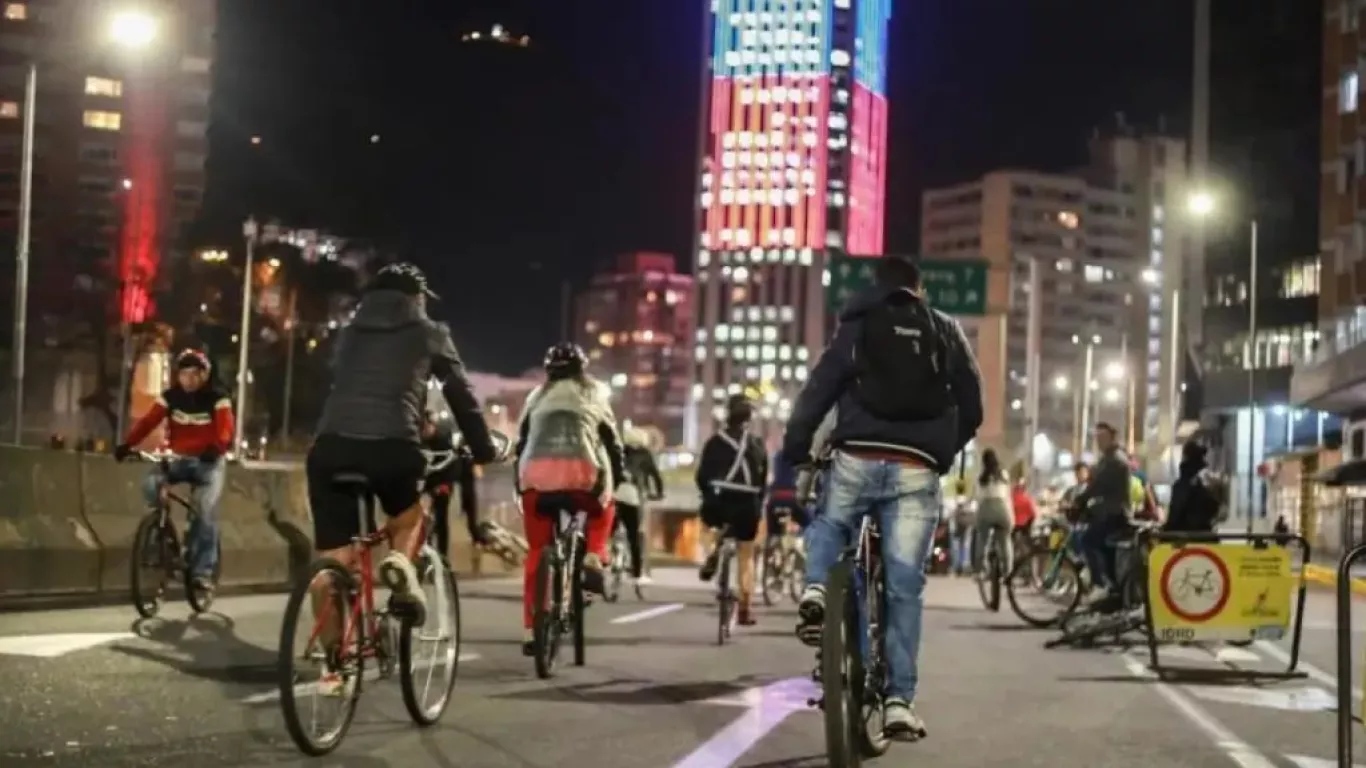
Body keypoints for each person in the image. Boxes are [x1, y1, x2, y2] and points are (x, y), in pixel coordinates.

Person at [782, 254, 983, 738]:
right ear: (920, 290)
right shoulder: (943, 328)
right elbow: (972, 404)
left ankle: (815, 590)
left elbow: (820, 388)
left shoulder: (859, 324)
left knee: (832, 523)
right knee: (903, 585)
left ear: (879, 287)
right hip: (917, 467)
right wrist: (941, 450)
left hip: (857, 454)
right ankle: (898, 701)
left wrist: (797, 447)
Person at [307, 262, 502, 676]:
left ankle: (333, 667)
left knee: (331, 563)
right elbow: (460, 395)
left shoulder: (349, 334)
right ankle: (398, 563)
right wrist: (482, 448)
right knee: (410, 516)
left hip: (330, 448)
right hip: (392, 445)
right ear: (416, 299)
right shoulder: (429, 332)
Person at [515, 342, 624, 655]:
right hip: (583, 479)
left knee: (537, 551)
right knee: (605, 508)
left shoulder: (535, 397)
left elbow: (521, 443)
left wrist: (520, 485)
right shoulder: (595, 394)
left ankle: (529, 630)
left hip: (535, 481)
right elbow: (613, 444)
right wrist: (618, 476)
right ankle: (594, 552)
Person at [114, 348, 234, 595]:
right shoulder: (171, 397)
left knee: (204, 509)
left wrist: (217, 448)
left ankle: (202, 571)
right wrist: (128, 444)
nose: (188, 380)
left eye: (194, 375)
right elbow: (148, 421)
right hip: (178, 458)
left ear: (204, 375)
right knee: (151, 484)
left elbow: (225, 429)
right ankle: (162, 535)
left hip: (207, 464)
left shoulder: (218, 398)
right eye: (184, 374)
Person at [696, 394, 769, 626]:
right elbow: (762, 480)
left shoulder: (715, 442)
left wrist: (707, 493)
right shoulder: (757, 444)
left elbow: (702, 476)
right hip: (748, 503)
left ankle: (711, 553)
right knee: (746, 554)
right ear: (749, 418)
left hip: (719, 500)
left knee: (708, 522)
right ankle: (745, 609)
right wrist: (759, 501)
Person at [1072, 422, 1132, 607]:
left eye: (1102, 438)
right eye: (1097, 438)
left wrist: (1080, 500)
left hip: (1114, 512)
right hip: (1109, 511)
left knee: (1088, 541)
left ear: (1111, 438)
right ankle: (1114, 589)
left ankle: (1099, 584)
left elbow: (1098, 486)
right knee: (1105, 549)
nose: (1099, 441)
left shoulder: (1114, 460)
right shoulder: (1108, 458)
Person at [419, 411, 488, 560]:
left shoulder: (444, 439)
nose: (424, 431)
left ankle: (446, 554)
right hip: (429, 477)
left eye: (426, 427)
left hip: (451, 474)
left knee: (444, 512)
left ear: (432, 425)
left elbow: (453, 466)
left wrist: (444, 485)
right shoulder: (418, 440)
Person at [615, 426, 663, 586]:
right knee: (634, 534)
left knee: (609, 527)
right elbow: (655, 476)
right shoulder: (645, 454)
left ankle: (606, 557)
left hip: (614, 495)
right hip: (634, 496)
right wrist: (659, 493)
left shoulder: (618, 452)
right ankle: (637, 573)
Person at [1164, 442, 1223, 535]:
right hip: (1205, 538)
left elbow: (1175, 515)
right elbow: (1215, 509)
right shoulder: (1206, 483)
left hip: (1183, 540)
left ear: (1185, 458)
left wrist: (1164, 534)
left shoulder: (1182, 485)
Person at [973, 449, 1014, 576]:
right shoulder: (1004, 474)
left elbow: (978, 497)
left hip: (985, 508)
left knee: (982, 539)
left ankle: (980, 570)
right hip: (1002, 508)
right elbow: (1007, 496)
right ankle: (1007, 572)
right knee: (1005, 540)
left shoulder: (980, 477)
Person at [946, 477, 975, 577]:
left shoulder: (951, 501)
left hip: (954, 527)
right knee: (965, 546)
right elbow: (974, 512)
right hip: (967, 527)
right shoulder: (969, 501)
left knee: (955, 547)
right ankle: (965, 565)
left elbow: (947, 515)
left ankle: (955, 567)